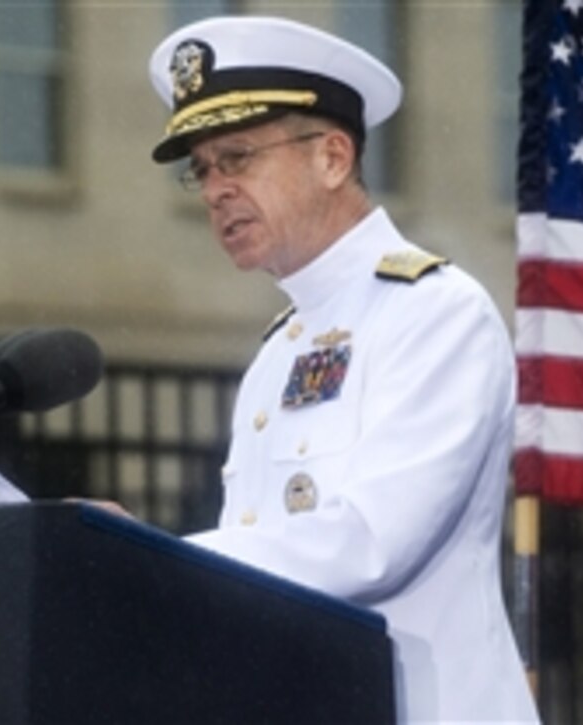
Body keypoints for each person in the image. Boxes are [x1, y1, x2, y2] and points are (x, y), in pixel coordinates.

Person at [143, 15, 540, 724]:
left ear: (332, 157)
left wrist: (150, 561)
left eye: (236, 157)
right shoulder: (278, 352)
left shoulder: (438, 314)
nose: (213, 189)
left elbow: (370, 542)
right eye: (200, 170)